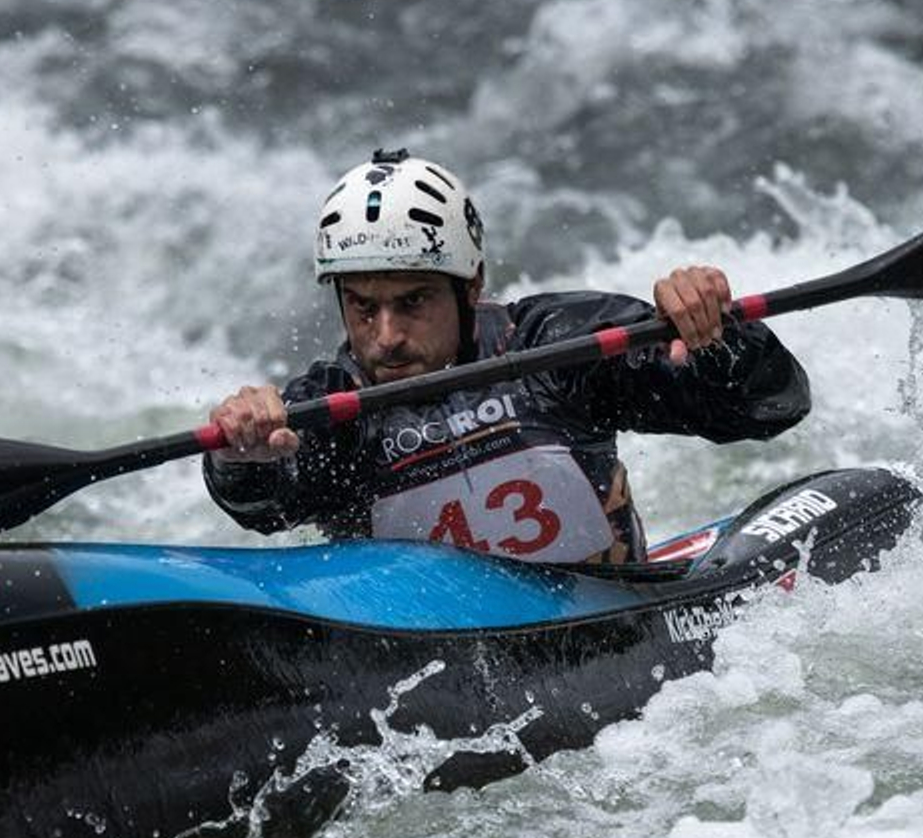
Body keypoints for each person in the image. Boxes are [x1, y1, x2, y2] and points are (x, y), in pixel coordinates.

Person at [203, 148, 810, 564]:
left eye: (412, 302)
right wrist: (241, 457)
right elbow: (266, 507)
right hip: (424, 657)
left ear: (470, 286)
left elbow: (766, 407)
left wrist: (716, 335)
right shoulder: (331, 409)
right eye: (363, 306)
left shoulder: (555, 347)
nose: (385, 335)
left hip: (610, 624)